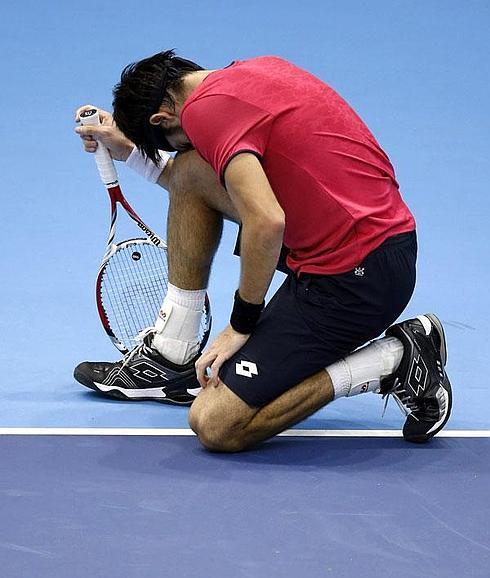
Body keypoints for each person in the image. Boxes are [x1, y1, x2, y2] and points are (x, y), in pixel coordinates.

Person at [74, 50, 452, 451]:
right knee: (189, 170)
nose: (185, 144)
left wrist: (242, 323)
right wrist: (132, 152)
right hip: (373, 238)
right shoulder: (254, 71)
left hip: (356, 278)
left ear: (161, 119)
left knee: (215, 424)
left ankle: (395, 360)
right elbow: (196, 183)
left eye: (168, 141)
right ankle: (172, 354)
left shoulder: (204, 115)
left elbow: (267, 221)